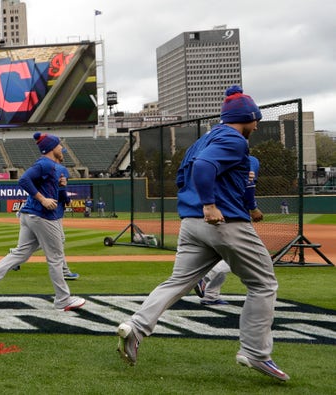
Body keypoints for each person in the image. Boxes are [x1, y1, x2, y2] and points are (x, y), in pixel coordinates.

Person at [117, 86, 289, 382]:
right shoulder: (233, 139)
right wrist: (210, 205)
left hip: (191, 223)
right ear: (246, 117)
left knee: (179, 281)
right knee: (263, 284)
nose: (257, 124)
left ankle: (136, 327)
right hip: (223, 222)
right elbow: (204, 166)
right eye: (255, 119)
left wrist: (201, 206)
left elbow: (185, 176)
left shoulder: (203, 139)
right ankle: (255, 352)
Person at [0, 132, 85, 312]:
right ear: (51, 148)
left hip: (31, 215)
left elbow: (53, 190)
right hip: (43, 216)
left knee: (21, 253)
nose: (61, 149)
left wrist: (62, 188)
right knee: (56, 258)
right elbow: (24, 179)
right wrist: (42, 199)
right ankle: (63, 300)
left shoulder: (53, 167)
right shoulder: (45, 163)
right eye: (59, 146)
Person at [194, 155, 261, 306]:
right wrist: (253, 208)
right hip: (233, 215)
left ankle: (210, 295)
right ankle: (205, 277)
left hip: (208, 214)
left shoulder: (208, 160)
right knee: (241, 255)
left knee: (221, 256)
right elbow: (249, 187)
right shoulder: (250, 160)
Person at [55, 162, 79, 281]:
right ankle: (64, 271)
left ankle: (15, 252)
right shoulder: (60, 187)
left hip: (52, 215)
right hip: (54, 215)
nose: (65, 179)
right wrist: (64, 188)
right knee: (60, 241)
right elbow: (65, 198)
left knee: (35, 244)